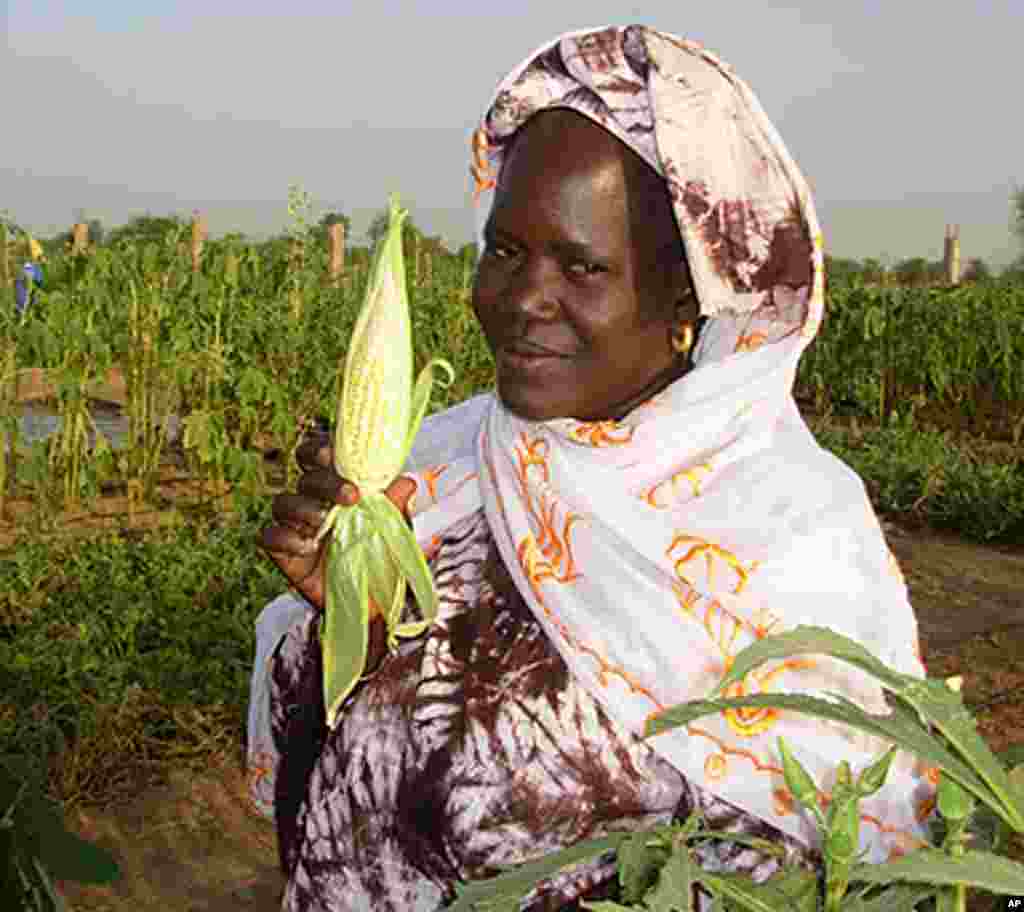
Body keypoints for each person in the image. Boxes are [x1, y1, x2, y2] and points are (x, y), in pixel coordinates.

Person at [249, 25, 934, 911]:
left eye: (583, 265)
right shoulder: (441, 472)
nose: (523, 300)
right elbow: (334, 792)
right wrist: (344, 618)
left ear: (685, 293)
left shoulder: (794, 537)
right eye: (504, 250)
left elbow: (860, 854)